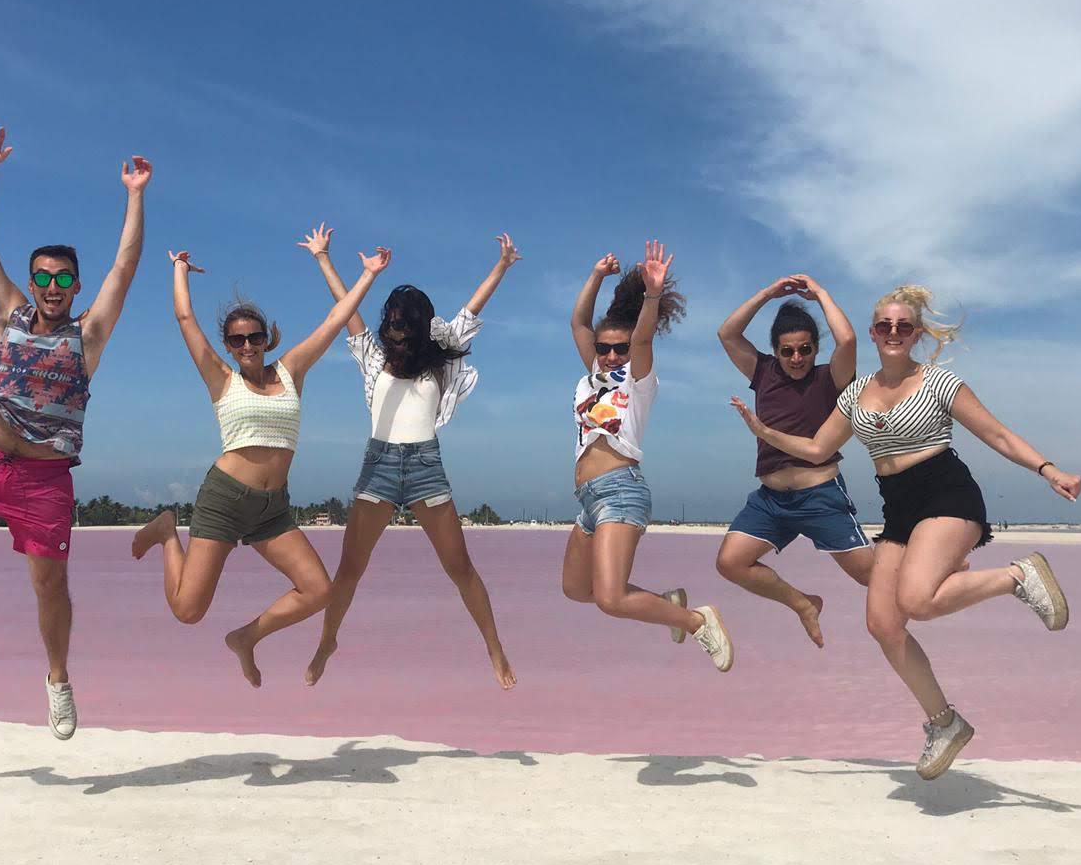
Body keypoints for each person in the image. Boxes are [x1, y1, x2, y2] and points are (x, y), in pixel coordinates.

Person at [730, 285, 1081, 778]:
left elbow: (997, 435)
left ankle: (1017, 577)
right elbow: (815, 449)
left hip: (946, 494)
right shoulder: (855, 393)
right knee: (883, 623)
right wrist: (764, 433)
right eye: (884, 326)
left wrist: (1049, 470)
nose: (893, 333)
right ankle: (945, 722)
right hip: (898, 510)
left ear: (916, 334)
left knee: (917, 601)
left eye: (903, 326)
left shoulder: (939, 383)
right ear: (875, 333)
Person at [0, 127, 152, 740]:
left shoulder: (87, 335)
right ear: (33, 281)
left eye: (65, 278)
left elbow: (125, 266)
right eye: (44, 276)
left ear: (75, 286)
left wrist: (135, 195)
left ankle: (58, 681)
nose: (52, 287)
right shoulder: (7, 312)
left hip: (45, 478)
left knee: (50, 586)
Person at [130, 230, 392, 688]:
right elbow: (184, 316)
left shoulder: (291, 370)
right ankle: (168, 532)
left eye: (253, 337)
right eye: (237, 340)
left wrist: (367, 275)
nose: (247, 345)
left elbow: (335, 320)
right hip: (225, 499)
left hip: (273, 508)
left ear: (266, 338)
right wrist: (179, 269)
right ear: (228, 346)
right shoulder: (221, 379)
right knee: (188, 611)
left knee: (318, 591)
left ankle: (247, 638)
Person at [298, 226, 521, 689]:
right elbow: (347, 313)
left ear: (420, 327)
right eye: (392, 319)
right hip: (377, 468)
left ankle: (494, 648)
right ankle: (327, 641)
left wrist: (500, 266)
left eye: (405, 321)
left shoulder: (440, 362)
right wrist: (325, 259)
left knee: (459, 568)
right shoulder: (374, 359)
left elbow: (471, 312)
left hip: (425, 468)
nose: (396, 327)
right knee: (350, 570)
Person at [561, 242, 732, 667]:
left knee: (612, 598)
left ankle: (697, 621)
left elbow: (641, 336)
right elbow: (579, 322)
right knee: (577, 590)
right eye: (605, 349)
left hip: (621, 491)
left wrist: (652, 295)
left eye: (619, 349)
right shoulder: (594, 378)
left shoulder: (635, 381)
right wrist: (597, 275)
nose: (613, 355)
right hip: (589, 499)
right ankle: (668, 604)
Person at [716, 275, 869, 647]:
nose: (797, 358)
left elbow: (847, 340)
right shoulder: (763, 372)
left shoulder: (830, 378)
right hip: (771, 499)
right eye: (787, 351)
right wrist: (767, 293)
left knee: (874, 577)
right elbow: (727, 334)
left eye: (805, 349)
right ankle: (803, 604)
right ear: (776, 351)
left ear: (816, 348)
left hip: (820, 496)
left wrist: (820, 293)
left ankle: (938, 569)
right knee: (731, 562)